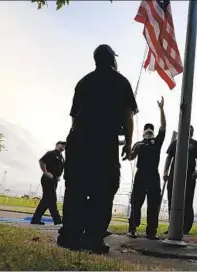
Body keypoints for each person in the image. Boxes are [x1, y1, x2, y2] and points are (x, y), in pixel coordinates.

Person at [57, 44, 138, 254]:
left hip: (78, 139)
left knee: (75, 188)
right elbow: (128, 115)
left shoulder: (83, 82)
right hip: (103, 141)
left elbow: (75, 118)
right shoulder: (121, 81)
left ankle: (69, 236)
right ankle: (92, 239)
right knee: (103, 190)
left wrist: (73, 142)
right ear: (112, 60)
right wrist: (129, 143)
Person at [127, 97, 166, 240]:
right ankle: (132, 228)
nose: (149, 131)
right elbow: (130, 157)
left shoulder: (157, 143)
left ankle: (151, 232)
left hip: (153, 176)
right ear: (143, 133)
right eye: (146, 130)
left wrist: (161, 109)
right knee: (136, 202)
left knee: (153, 205)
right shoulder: (138, 144)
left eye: (151, 130)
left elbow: (163, 127)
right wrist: (131, 149)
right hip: (141, 175)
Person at [163, 125, 197, 235]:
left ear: (192, 133)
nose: (189, 133)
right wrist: (165, 172)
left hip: (189, 177)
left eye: (191, 132)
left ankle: (185, 228)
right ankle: (173, 227)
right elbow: (169, 158)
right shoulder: (175, 143)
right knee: (172, 200)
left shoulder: (195, 144)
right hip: (174, 176)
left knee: (187, 201)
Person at [31, 141, 66, 225]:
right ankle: (57, 220)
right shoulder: (51, 153)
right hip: (47, 179)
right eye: (62, 145)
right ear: (57, 145)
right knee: (52, 198)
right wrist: (46, 172)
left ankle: (35, 219)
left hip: (54, 180)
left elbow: (59, 169)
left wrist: (58, 176)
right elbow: (42, 161)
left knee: (46, 200)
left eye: (65, 146)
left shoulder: (61, 157)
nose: (63, 147)